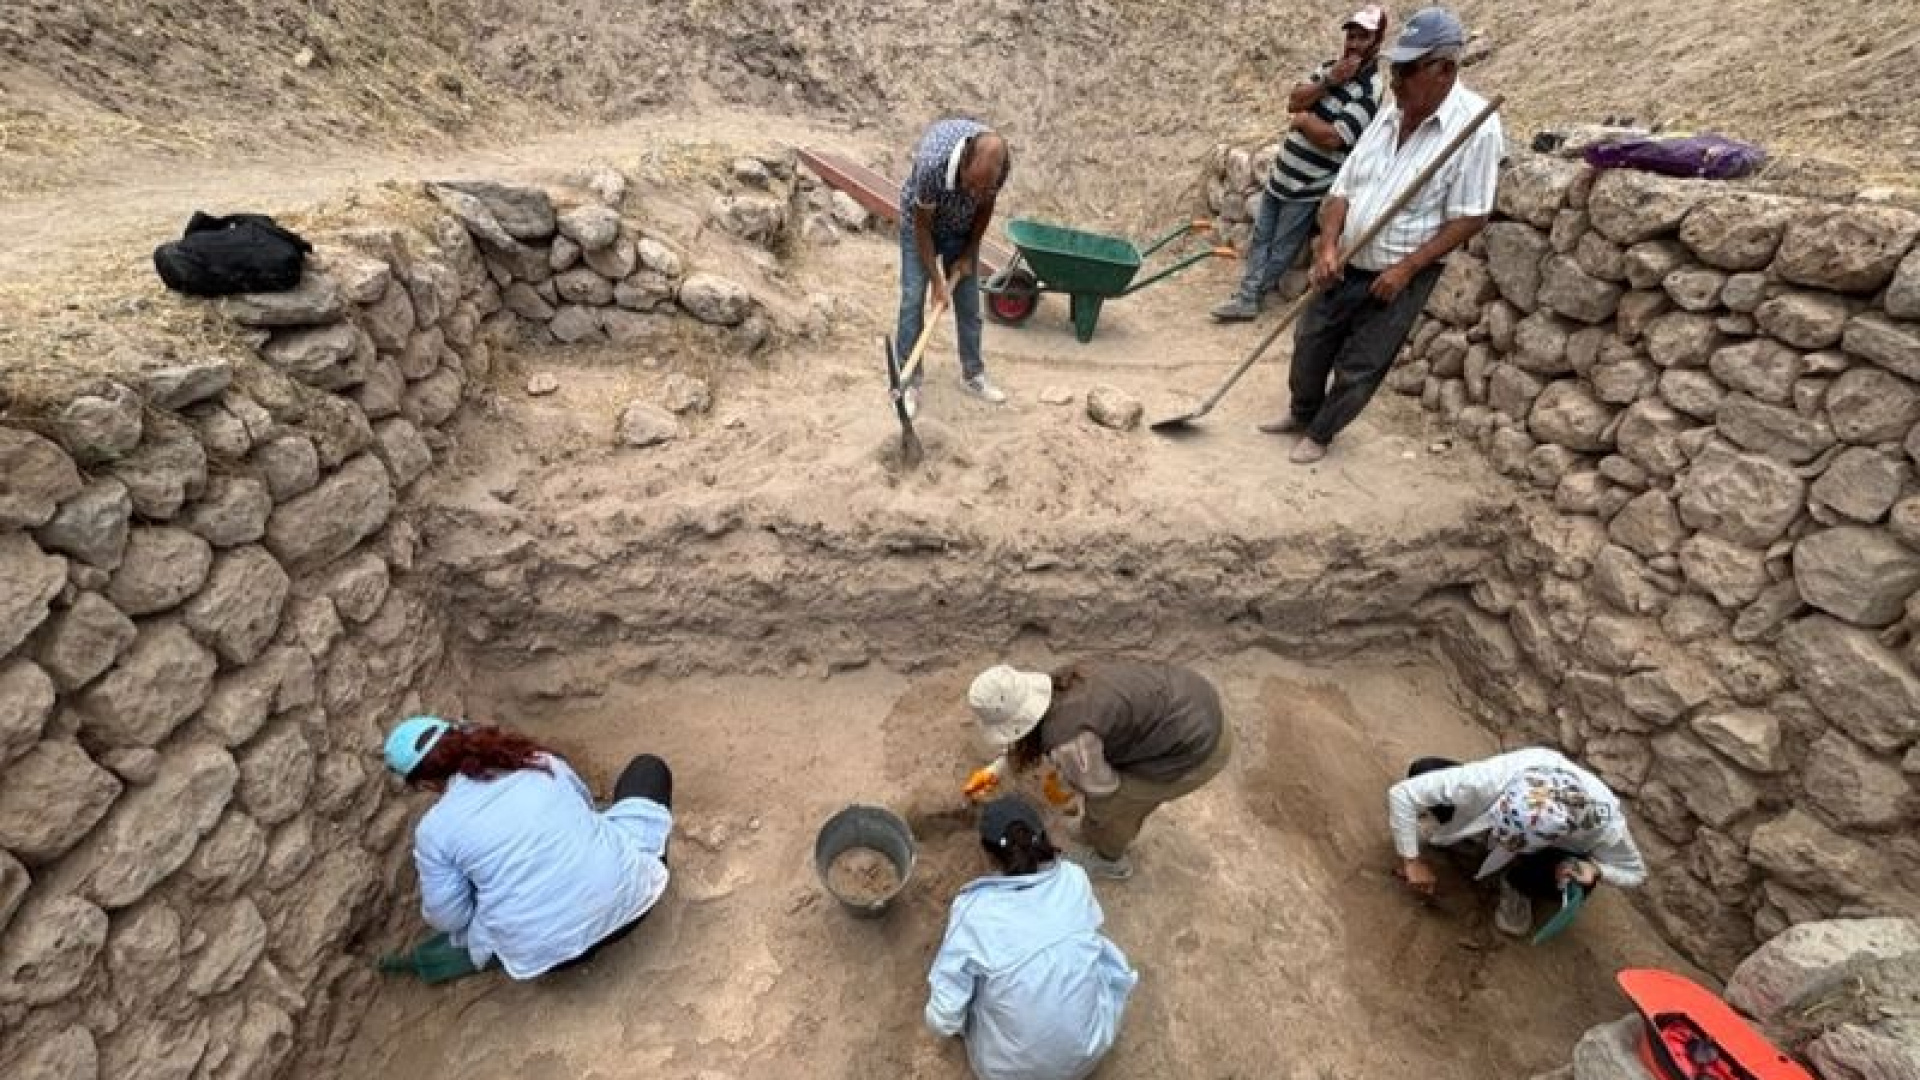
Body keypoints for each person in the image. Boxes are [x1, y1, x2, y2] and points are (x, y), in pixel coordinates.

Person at [1262, 6, 1504, 464]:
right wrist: (1328, 246)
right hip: (1344, 257)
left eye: (1407, 70)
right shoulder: (1391, 113)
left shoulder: (1476, 128)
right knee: (1311, 340)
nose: (1394, 81)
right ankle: (1301, 413)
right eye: (1394, 69)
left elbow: (1471, 216)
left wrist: (1407, 268)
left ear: (1444, 69)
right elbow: (1343, 188)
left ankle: (1321, 433)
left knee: (1361, 363)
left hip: (1400, 273)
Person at [382, 715, 675, 979]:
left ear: (425, 784)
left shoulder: (433, 832)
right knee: (648, 769)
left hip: (549, 958)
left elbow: (449, 918)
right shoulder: (536, 761)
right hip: (633, 907)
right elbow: (584, 806)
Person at [925, 796, 1139, 1080]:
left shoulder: (975, 911)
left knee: (978, 989)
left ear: (988, 856)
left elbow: (943, 1019)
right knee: (1094, 948)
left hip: (1011, 1074)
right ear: (1041, 839)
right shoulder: (1074, 878)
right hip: (1088, 1053)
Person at [967, 660, 1232, 880]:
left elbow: (1105, 790)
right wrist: (999, 768)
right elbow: (1035, 730)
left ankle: (1110, 861)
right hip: (1192, 698)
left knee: (1112, 810)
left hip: (1195, 750)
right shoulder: (1065, 680)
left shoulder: (1070, 742)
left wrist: (1073, 787)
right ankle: (1096, 836)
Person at [1211, 6, 1390, 322]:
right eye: (1351, 35)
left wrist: (1305, 120)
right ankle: (1248, 295)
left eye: (1363, 37)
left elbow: (1334, 137)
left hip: (1307, 185)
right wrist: (1328, 82)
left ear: (1377, 42)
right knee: (1261, 238)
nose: (1353, 43)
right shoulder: (1329, 69)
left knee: (1281, 247)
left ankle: (1249, 297)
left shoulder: (1370, 89)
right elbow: (1294, 100)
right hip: (1281, 174)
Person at [1387, 747, 1648, 937]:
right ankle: (1471, 834)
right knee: (1425, 768)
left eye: (1511, 843)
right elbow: (1402, 794)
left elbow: (1635, 873)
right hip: (1489, 806)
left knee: (1580, 879)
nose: (1503, 842)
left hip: (1549, 856)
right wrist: (1412, 861)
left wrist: (1597, 868)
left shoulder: (1605, 827)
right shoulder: (1492, 778)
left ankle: (1518, 887)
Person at [896, 116, 1012, 417]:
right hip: (920, 225)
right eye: (971, 184)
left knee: (969, 304)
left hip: (962, 228)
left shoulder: (998, 168)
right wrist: (937, 281)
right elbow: (922, 228)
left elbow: (985, 208)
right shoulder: (932, 165)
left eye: (983, 188)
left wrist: (969, 252)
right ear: (962, 163)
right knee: (912, 298)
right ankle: (908, 382)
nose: (975, 193)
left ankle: (972, 375)